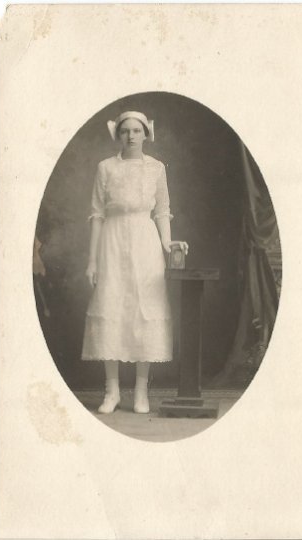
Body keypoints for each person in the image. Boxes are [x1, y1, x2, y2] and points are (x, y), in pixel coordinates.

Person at [81, 111, 188, 414]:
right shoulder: (105, 168)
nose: (131, 136)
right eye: (125, 131)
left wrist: (168, 246)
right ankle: (112, 390)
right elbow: (97, 215)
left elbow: (163, 211)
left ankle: (141, 392)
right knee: (111, 308)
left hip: (146, 243)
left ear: (146, 134)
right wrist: (92, 262)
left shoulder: (156, 168)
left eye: (136, 131)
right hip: (112, 243)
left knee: (145, 311)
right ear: (118, 135)